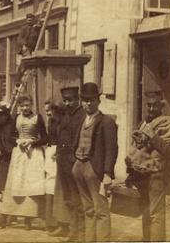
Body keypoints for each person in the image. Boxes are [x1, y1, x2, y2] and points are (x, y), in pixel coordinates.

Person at [125, 91, 170, 241]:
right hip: (142, 174)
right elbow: (136, 151)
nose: (151, 109)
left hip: (157, 174)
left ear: (162, 106)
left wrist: (153, 137)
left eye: (155, 105)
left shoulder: (169, 125)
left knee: (156, 214)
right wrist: (130, 173)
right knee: (145, 212)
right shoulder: (143, 124)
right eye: (149, 105)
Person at [71, 82, 118, 242]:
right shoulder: (81, 120)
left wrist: (107, 173)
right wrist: (75, 163)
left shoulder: (106, 122)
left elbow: (112, 149)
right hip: (79, 166)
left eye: (91, 100)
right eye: (85, 100)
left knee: (101, 210)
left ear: (98, 101)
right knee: (88, 209)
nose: (88, 103)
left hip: (95, 169)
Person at [0, 94, 47, 231]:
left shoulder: (38, 118)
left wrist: (33, 142)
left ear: (32, 105)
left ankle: (28, 219)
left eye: (27, 105)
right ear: (19, 107)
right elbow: (10, 136)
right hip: (19, 153)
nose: (25, 108)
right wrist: (18, 141)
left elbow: (45, 138)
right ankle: (6, 215)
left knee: (30, 185)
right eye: (22, 106)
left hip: (33, 154)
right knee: (16, 182)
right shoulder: (16, 118)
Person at [50, 86, 86, 240]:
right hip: (62, 160)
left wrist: (73, 157)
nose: (67, 103)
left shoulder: (82, 116)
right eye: (65, 100)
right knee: (68, 197)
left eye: (70, 100)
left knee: (77, 198)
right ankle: (72, 228)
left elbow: (80, 139)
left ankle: (80, 232)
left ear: (77, 100)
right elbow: (58, 136)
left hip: (74, 161)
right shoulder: (64, 115)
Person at [44, 101, 62, 233]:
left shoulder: (59, 121)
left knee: (55, 185)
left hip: (56, 151)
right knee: (49, 185)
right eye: (46, 111)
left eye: (49, 110)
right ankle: (49, 220)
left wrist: (58, 151)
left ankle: (56, 220)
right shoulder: (50, 121)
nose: (48, 113)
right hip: (50, 151)